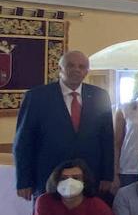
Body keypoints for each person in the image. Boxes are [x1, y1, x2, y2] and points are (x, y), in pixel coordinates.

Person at [14, 50, 115, 202]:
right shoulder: (37, 97)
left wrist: (107, 175)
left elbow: (107, 139)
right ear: (60, 69)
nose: (76, 70)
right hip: (48, 175)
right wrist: (23, 181)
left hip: (89, 176)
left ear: (86, 71)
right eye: (70, 65)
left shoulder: (100, 96)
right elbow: (23, 141)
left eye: (82, 67)